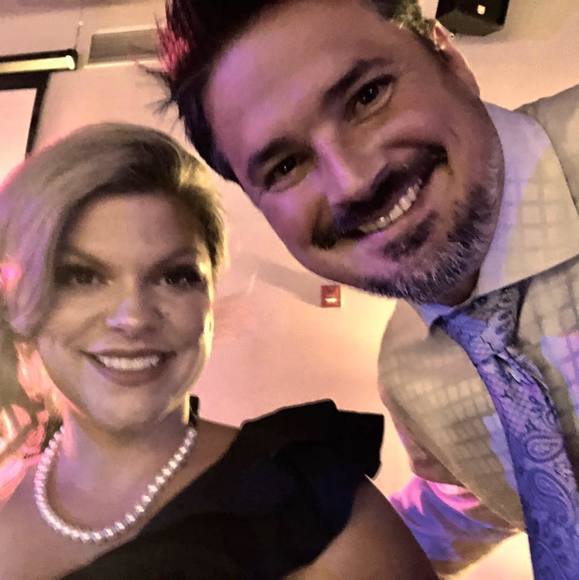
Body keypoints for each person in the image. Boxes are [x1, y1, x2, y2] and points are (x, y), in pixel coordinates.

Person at [159, 0, 579, 576]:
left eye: (367, 96)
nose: (353, 182)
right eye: (285, 166)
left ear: (448, 57)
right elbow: (488, 502)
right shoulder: (412, 374)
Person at [0, 123, 436, 579]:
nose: (133, 317)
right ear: (19, 302)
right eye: (82, 277)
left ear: (209, 298)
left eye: (175, 277)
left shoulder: (313, 514)